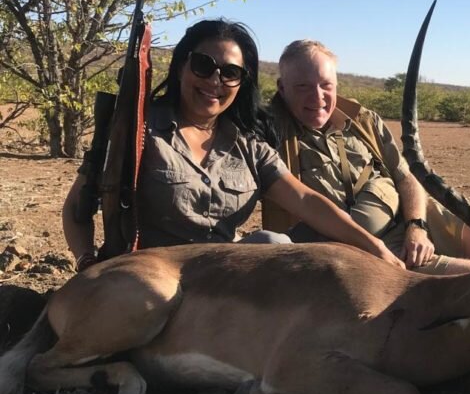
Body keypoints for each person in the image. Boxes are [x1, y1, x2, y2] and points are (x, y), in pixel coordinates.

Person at [62, 20, 405, 272]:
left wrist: (374, 248)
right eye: (203, 66)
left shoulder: (247, 142)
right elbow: (79, 205)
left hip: (219, 275)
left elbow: (304, 199)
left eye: (230, 73)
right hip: (149, 273)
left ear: (242, 82)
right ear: (182, 66)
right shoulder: (138, 130)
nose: (214, 81)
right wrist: (87, 263)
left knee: (276, 246)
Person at [262, 39, 470, 273]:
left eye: (325, 85)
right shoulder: (264, 132)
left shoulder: (362, 119)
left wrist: (417, 226)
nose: (317, 97)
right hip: (365, 249)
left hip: (413, 217)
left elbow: (405, 176)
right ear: (281, 87)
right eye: (302, 86)